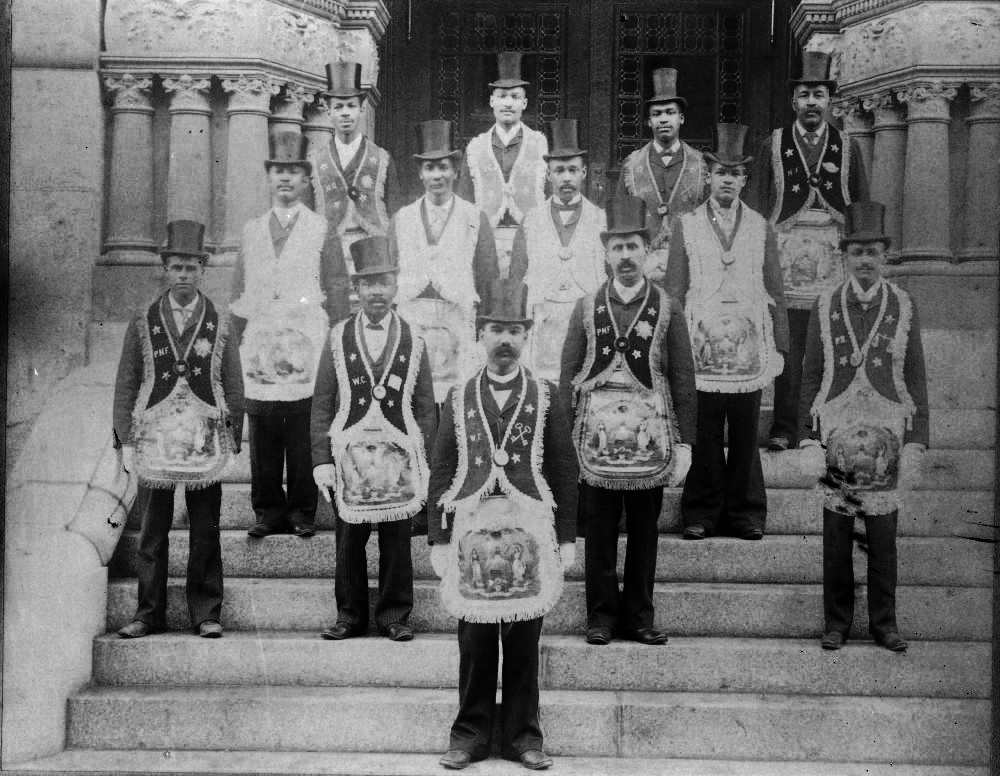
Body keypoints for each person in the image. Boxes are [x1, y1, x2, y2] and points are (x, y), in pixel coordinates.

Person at [428, 280, 578, 771]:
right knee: (473, 640)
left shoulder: (546, 395)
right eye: (496, 330)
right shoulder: (458, 396)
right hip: (472, 527)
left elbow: (563, 468)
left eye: (514, 330)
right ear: (481, 335)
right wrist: (438, 538)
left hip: (528, 528)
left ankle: (523, 737)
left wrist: (568, 537)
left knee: (523, 639)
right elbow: (442, 468)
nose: (505, 339)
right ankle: (468, 736)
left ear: (526, 335)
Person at [560, 196, 697, 646]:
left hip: (650, 438)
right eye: (617, 248)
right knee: (599, 532)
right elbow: (568, 374)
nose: (624, 256)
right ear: (605, 253)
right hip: (595, 439)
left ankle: (639, 616)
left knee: (643, 533)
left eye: (632, 247)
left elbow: (682, 377)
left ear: (646, 251)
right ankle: (600, 617)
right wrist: (563, 440)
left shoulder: (667, 306)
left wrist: (686, 443)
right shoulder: (586, 306)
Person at [798, 201, 928, 653]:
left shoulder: (903, 305)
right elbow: (811, 374)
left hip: (887, 430)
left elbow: (915, 376)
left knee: (882, 535)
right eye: (857, 252)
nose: (865, 260)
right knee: (836, 533)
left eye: (872, 251)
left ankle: (884, 624)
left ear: (884, 255)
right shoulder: (826, 304)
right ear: (845, 257)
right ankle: (836, 623)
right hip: (837, 429)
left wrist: (917, 439)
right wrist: (807, 436)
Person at [113, 220, 243, 639]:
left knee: (205, 531)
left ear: (202, 269)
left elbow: (233, 380)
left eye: (191, 267)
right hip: (154, 437)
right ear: (165, 269)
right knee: (152, 532)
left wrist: (233, 433)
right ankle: (148, 614)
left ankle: (206, 613)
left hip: (205, 438)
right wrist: (125, 438)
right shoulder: (143, 319)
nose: (184, 275)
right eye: (177, 267)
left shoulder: (220, 320)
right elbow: (127, 380)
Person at [665, 124, 789, 541]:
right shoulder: (687, 224)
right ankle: (701, 512)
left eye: (735, 174)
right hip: (700, 347)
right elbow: (675, 290)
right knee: (704, 431)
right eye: (721, 173)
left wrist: (781, 343)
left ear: (745, 180)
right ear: (709, 177)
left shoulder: (760, 226)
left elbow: (774, 287)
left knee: (745, 434)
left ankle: (746, 513)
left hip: (747, 348)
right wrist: (673, 347)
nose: (728, 181)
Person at [311, 236, 437, 641]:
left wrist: (424, 459)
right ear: (357, 289)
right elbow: (322, 402)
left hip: (398, 457)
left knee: (397, 540)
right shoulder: (338, 337)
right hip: (350, 457)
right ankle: (349, 615)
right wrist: (321, 460)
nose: (376, 291)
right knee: (349, 539)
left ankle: (395, 616)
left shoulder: (414, 338)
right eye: (368, 283)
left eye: (383, 282)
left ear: (395, 285)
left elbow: (425, 406)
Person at [746, 51, 869, 452]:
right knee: (790, 348)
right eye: (805, 95)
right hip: (786, 265)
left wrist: (858, 266)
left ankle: (818, 425)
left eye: (819, 95)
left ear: (829, 100)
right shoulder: (773, 145)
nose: (812, 102)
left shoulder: (848, 147)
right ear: (793, 101)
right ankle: (785, 427)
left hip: (832, 264)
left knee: (830, 346)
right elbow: (757, 208)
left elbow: (861, 210)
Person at [231, 131, 336, 539]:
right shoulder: (252, 230)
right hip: (261, 342)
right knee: (263, 429)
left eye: (293, 171)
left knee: (302, 428)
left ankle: (302, 511)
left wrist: (334, 341)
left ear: (306, 179)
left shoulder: (321, 229)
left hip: (306, 343)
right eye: (278, 171)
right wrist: (237, 339)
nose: (286, 178)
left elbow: (336, 286)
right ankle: (268, 510)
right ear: (269, 177)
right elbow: (239, 289)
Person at [390, 119, 499, 403]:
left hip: (458, 319)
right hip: (413, 316)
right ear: (420, 173)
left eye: (443, 167)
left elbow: (488, 277)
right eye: (430, 168)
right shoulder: (403, 218)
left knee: (456, 399)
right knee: (413, 396)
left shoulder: (474, 217)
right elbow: (391, 275)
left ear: (456, 170)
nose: (437, 175)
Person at [508, 118, 607, 382]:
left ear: (584, 173)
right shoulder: (531, 221)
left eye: (572, 170)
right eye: (559, 170)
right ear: (549, 174)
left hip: (584, 322)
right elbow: (516, 277)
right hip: (542, 322)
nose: (566, 178)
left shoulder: (601, 220)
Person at [310, 60, 403, 315]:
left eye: (351, 106)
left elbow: (396, 216)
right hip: (331, 254)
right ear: (328, 110)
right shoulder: (316, 162)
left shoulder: (381, 158)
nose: (345, 113)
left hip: (374, 253)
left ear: (362, 108)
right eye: (338, 107)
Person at [458, 51, 549, 277]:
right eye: (502, 96)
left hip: (530, 239)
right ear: (492, 101)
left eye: (515, 97)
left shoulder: (540, 145)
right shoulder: (476, 148)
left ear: (524, 103)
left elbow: (550, 195)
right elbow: (464, 201)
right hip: (486, 242)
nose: (508, 103)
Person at [615, 68, 707, 284]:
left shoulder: (701, 164)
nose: (663, 119)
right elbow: (620, 224)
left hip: (690, 270)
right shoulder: (632, 165)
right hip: (642, 272)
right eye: (657, 114)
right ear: (649, 121)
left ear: (681, 118)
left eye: (670, 112)